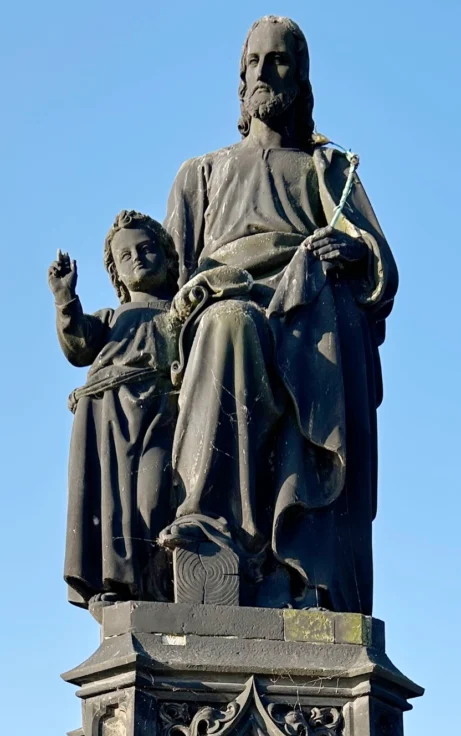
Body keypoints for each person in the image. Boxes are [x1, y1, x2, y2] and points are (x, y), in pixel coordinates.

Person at [163, 16, 398, 613]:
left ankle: (304, 560)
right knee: (230, 324)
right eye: (254, 64)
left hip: (307, 307)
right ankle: (212, 533)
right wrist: (190, 298)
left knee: (303, 321)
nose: (266, 73)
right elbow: (167, 284)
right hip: (223, 303)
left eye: (280, 61)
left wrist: (349, 251)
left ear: (303, 78)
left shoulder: (328, 170)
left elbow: (378, 267)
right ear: (240, 83)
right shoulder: (203, 174)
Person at [48, 210, 179, 608]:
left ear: (168, 256)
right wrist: (65, 299)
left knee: (152, 500)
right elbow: (80, 346)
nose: (137, 258)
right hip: (107, 417)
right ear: (116, 274)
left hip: (160, 416)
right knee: (112, 504)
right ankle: (118, 587)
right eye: (125, 256)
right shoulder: (111, 319)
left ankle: (162, 588)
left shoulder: (181, 310)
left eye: (146, 249)